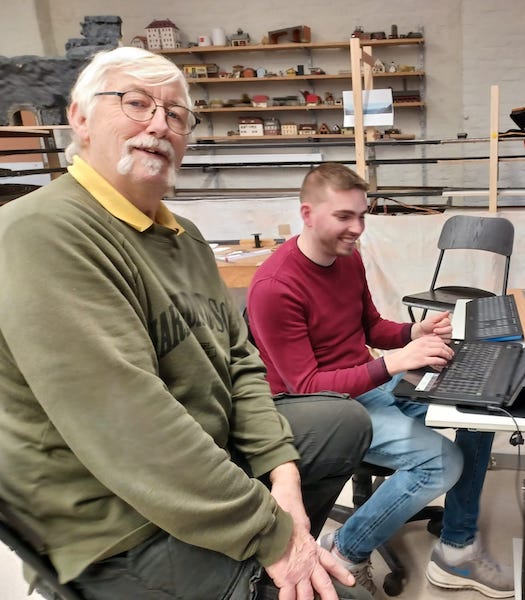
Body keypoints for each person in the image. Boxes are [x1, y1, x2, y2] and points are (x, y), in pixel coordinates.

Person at [0, 48, 374, 600]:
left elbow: (240, 360)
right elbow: (132, 429)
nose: (159, 125)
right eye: (136, 103)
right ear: (79, 118)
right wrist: (274, 536)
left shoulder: (186, 238)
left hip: (195, 456)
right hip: (115, 519)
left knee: (342, 423)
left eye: (176, 114)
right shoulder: (42, 233)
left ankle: (258, 565)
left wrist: (282, 473)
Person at [246, 163, 514, 598]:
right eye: (344, 217)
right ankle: (346, 550)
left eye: (362, 216)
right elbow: (306, 387)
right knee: (442, 462)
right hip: (320, 411)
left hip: (368, 387)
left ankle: (456, 548)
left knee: (480, 412)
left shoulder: (347, 259)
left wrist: (414, 332)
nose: (357, 229)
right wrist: (393, 364)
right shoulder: (275, 287)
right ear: (307, 214)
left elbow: (370, 325)